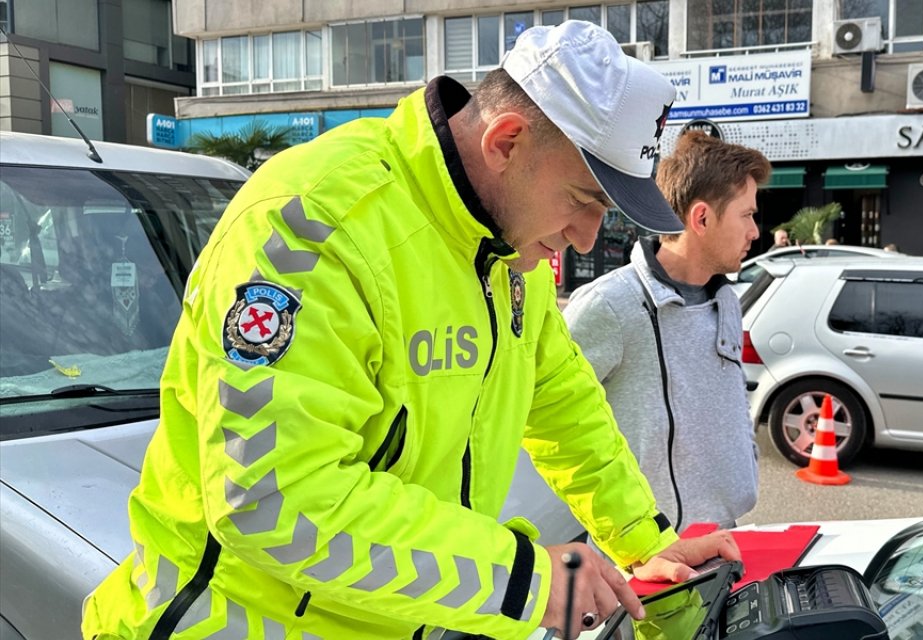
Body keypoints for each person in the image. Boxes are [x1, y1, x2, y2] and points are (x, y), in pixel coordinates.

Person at [82, 21, 738, 640]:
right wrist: (526, 580)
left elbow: (562, 401)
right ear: (505, 143)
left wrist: (646, 543)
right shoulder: (313, 229)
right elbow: (271, 501)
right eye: (584, 201)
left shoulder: (509, 247)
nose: (589, 238)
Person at [564, 132, 770, 537]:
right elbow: (544, 422)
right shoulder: (610, 305)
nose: (755, 232)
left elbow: (732, 405)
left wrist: (743, 474)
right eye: (746, 215)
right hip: (642, 556)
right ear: (702, 219)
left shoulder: (726, 299)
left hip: (723, 536)